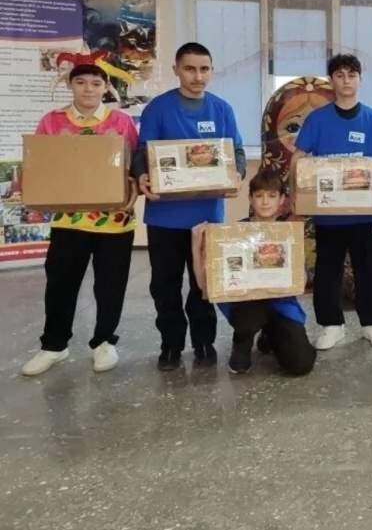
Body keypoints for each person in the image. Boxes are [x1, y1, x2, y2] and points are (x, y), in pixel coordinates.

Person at [21, 64, 139, 376]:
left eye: (96, 83)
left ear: (106, 87)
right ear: (70, 85)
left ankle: (104, 341)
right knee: (61, 284)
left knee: (110, 285)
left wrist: (134, 188)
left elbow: (135, 164)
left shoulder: (121, 121)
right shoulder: (52, 121)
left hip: (114, 220)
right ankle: (54, 345)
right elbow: (40, 164)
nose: (88, 89)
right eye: (81, 82)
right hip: (68, 220)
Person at [135, 42, 245, 371]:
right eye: (190, 69)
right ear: (176, 70)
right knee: (164, 286)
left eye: (204, 69)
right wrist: (141, 175)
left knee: (204, 284)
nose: (198, 76)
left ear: (211, 70)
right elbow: (142, 152)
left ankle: (203, 342)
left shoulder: (222, 109)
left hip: (207, 216)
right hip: (164, 218)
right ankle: (170, 344)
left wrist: (237, 174)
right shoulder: (158, 108)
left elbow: (237, 152)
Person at [293, 53, 372, 350]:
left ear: (360, 80)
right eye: (340, 75)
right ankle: (331, 326)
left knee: (370, 271)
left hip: (367, 215)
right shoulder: (317, 119)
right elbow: (299, 157)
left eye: (352, 75)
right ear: (332, 81)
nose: (346, 80)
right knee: (328, 272)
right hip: (328, 214)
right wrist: (298, 193)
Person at [220, 171, 316, 376]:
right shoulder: (236, 231)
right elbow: (224, 274)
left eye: (272, 196)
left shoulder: (290, 232)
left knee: (301, 364)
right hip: (247, 302)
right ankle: (242, 342)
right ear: (250, 198)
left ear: (281, 200)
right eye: (259, 196)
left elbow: (301, 279)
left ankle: (269, 335)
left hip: (281, 302)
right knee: (251, 310)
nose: (265, 202)